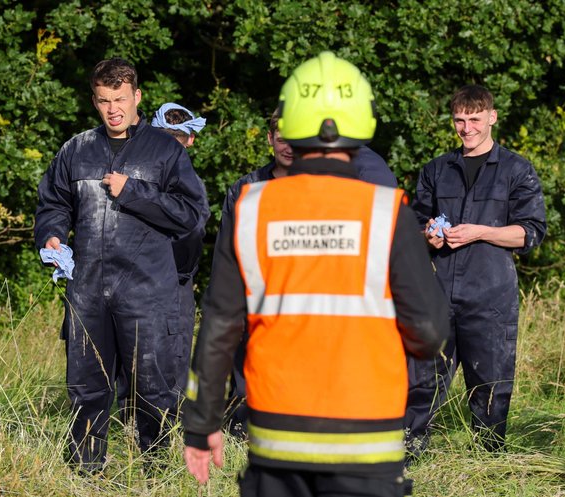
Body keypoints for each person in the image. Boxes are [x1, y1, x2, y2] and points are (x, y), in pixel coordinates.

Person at [181, 52, 448, 497]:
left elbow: (219, 327)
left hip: (273, 430)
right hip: (362, 432)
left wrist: (201, 424)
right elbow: (429, 333)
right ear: (359, 131)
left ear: (290, 132)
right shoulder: (386, 209)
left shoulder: (250, 207)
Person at [35, 59, 209, 472]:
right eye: (104, 100)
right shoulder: (75, 149)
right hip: (88, 290)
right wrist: (52, 234)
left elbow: (192, 214)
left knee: (153, 390)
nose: (113, 109)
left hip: (147, 292)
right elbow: (53, 203)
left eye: (120, 99)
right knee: (87, 386)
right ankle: (84, 475)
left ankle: (158, 476)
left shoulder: (165, 150)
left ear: (137, 98)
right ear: (94, 101)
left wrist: (134, 192)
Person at [218, 112, 399, 437]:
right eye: (282, 137)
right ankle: (239, 445)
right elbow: (228, 253)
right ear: (270, 139)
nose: (289, 146)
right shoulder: (246, 189)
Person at [406, 85, 546, 453]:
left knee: (490, 383)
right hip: (438, 292)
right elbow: (416, 223)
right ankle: (408, 452)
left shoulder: (517, 170)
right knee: (421, 376)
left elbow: (530, 233)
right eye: (459, 120)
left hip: (490, 295)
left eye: (474, 119)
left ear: (492, 118)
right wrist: (428, 236)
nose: (466, 128)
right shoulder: (437, 169)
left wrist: (482, 231)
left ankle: (488, 459)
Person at [143, 102, 208, 413]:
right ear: (191, 139)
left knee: (134, 351)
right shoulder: (189, 181)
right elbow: (193, 232)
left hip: (132, 276)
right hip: (173, 279)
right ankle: (166, 428)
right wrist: (183, 270)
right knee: (175, 353)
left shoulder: (134, 172)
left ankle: (132, 424)